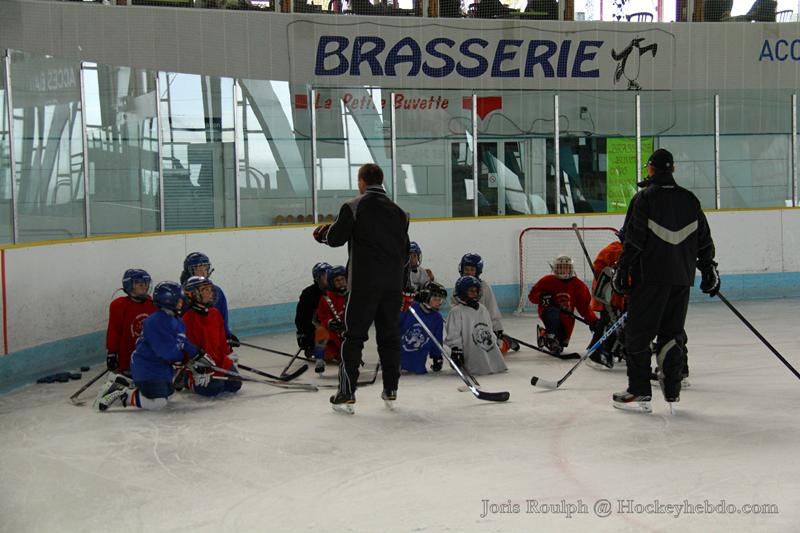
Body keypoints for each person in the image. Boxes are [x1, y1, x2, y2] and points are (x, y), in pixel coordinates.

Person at [612, 148, 718, 413]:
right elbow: (704, 239)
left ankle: (639, 391)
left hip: (650, 278)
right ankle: (672, 391)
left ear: (650, 170)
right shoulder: (690, 199)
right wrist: (708, 269)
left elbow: (634, 239)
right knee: (672, 333)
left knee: (638, 334)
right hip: (682, 278)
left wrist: (622, 269)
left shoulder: (644, 199)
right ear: (673, 170)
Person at [313, 163, 410, 413]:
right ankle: (391, 389)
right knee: (389, 337)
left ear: (361, 182)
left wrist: (322, 234)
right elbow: (405, 253)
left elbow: (335, 238)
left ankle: (346, 392)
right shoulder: (401, 213)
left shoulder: (353, 206)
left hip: (364, 285)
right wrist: (404, 287)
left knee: (353, 337)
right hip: (392, 286)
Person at [96, 282, 207, 411]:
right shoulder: (154, 322)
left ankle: (123, 382)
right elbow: (166, 352)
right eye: (179, 300)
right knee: (157, 403)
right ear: (168, 301)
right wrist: (185, 360)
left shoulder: (177, 320)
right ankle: (123, 393)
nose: (183, 303)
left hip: (161, 367)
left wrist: (197, 353)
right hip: (146, 366)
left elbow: (182, 341)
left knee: (168, 395)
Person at [181, 276, 241, 397]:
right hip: (200, 364)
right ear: (193, 294)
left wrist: (227, 350)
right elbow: (185, 348)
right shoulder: (187, 318)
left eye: (210, 289)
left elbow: (221, 342)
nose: (210, 293)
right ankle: (188, 380)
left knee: (235, 385)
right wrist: (193, 366)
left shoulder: (215, 313)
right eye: (205, 290)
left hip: (218, 360)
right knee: (213, 389)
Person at [527, 255, 598, 358]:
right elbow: (532, 296)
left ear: (571, 269)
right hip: (549, 313)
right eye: (560, 267)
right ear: (555, 268)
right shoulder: (547, 280)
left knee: (560, 345)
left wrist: (592, 320)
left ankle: (543, 333)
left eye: (566, 267)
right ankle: (551, 336)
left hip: (567, 319)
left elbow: (584, 306)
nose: (563, 270)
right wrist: (542, 296)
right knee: (552, 313)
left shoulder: (578, 285)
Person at [455, 253, 518, 352]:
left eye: (472, 270)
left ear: (477, 271)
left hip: (483, 327)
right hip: (466, 327)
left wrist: (497, 329)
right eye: (466, 269)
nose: (468, 272)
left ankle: (506, 341)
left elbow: (492, 309)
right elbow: (453, 308)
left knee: (494, 350)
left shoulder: (484, 287)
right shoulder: (458, 287)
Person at [445, 276, 507, 376]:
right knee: (475, 366)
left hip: (487, 348)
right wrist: (456, 350)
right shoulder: (456, 311)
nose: (474, 293)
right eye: (470, 291)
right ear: (462, 292)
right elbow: (454, 334)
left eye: (476, 290)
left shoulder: (482, 308)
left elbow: (489, 329)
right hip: (471, 351)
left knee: (495, 365)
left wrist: (495, 338)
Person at [180, 252, 239, 349]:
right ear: (189, 272)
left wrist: (227, 335)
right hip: (193, 342)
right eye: (199, 270)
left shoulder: (217, 292)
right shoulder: (182, 294)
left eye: (206, 269)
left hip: (212, 340)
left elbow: (222, 318)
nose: (203, 273)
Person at [586, 230, 627, 369]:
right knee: (609, 322)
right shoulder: (615, 249)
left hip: (620, 297)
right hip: (608, 297)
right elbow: (599, 266)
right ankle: (597, 353)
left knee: (618, 323)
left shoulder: (627, 251)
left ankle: (615, 349)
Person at [105, 269, 157, 377]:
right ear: (129, 285)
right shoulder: (119, 306)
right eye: (139, 283)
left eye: (146, 283)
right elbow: (114, 331)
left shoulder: (153, 304)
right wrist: (112, 353)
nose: (144, 286)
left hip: (150, 357)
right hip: (127, 359)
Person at [399, 281, 446, 374]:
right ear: (426, 296)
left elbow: (437, 340)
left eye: (440, 300)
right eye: (435, 299)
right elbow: (394, 323)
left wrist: (437, 356)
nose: (439, 302)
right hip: (398, 358)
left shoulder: (437, 318)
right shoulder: (410, 308)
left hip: (418, 364)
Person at [314, 265, 348, 374]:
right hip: (333, 336)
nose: (341, 282)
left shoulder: (352, 295)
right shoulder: (326, 298)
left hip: (348, 335)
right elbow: (321, 315)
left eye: (342, 279)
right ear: (331, 283)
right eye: (337, 280)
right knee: (320, 331)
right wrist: (329, 322)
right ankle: (320, 360)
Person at [295, 262, 331, 363]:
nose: (329, 277)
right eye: (325, 275)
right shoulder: (309, 294)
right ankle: (313, 348)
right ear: (317, 278)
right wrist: (304, 337)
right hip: (314, 331)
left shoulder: (335, 291)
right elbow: (301, 319)